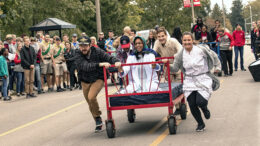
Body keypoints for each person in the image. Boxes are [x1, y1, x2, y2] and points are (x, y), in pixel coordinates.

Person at [166, 32, 221, 132]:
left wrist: (217, 67)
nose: (187, 42)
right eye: (184, 40)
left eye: (189, 40)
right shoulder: (180, 54)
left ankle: (204, 108)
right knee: (192, 104)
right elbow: (175, 68)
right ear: (182, 42)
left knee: (200, 102)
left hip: (203, 77)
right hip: (189, 80)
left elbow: (214, 56)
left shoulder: (201, 49)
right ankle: (200, 124)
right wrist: (166, 64)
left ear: (192, 40)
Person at [75, 36, 121, 132]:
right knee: (90, 102)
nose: (83, 48)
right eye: (81, 46)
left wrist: (116, 61)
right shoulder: (77, 53)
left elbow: (108, 57)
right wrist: (100, 64)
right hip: (84, 80)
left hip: (97, 78)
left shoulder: (97, 51)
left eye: (85, 46)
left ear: (90, 45)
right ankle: (98, 118)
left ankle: (97, 119)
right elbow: (85, 66)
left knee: (91, 97)